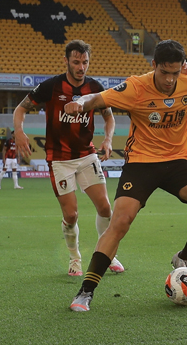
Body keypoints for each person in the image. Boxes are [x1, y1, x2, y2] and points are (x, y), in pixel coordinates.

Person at [64, 40, 187, 312]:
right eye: (164, 72)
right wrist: (79, 101)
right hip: (141, 164)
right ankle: (86, 291)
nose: (170, 79)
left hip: (176, 163)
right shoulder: (135, 87)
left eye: (175, 73)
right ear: (154, 66)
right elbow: (98, 99)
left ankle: (184, 258)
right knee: (121, 221)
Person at [13, 40, 124, 277]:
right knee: (71, 215)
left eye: (85, 62)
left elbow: (109, 117)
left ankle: (107, 254)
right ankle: (75, 258)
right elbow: (20, 109)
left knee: (105, 208)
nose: (81, 67)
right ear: (66, 61)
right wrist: (20, 132)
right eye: (76, 62)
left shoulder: (95, 87)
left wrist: (107, 139)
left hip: (86, 155)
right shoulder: (51, 86)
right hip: (60, 160)